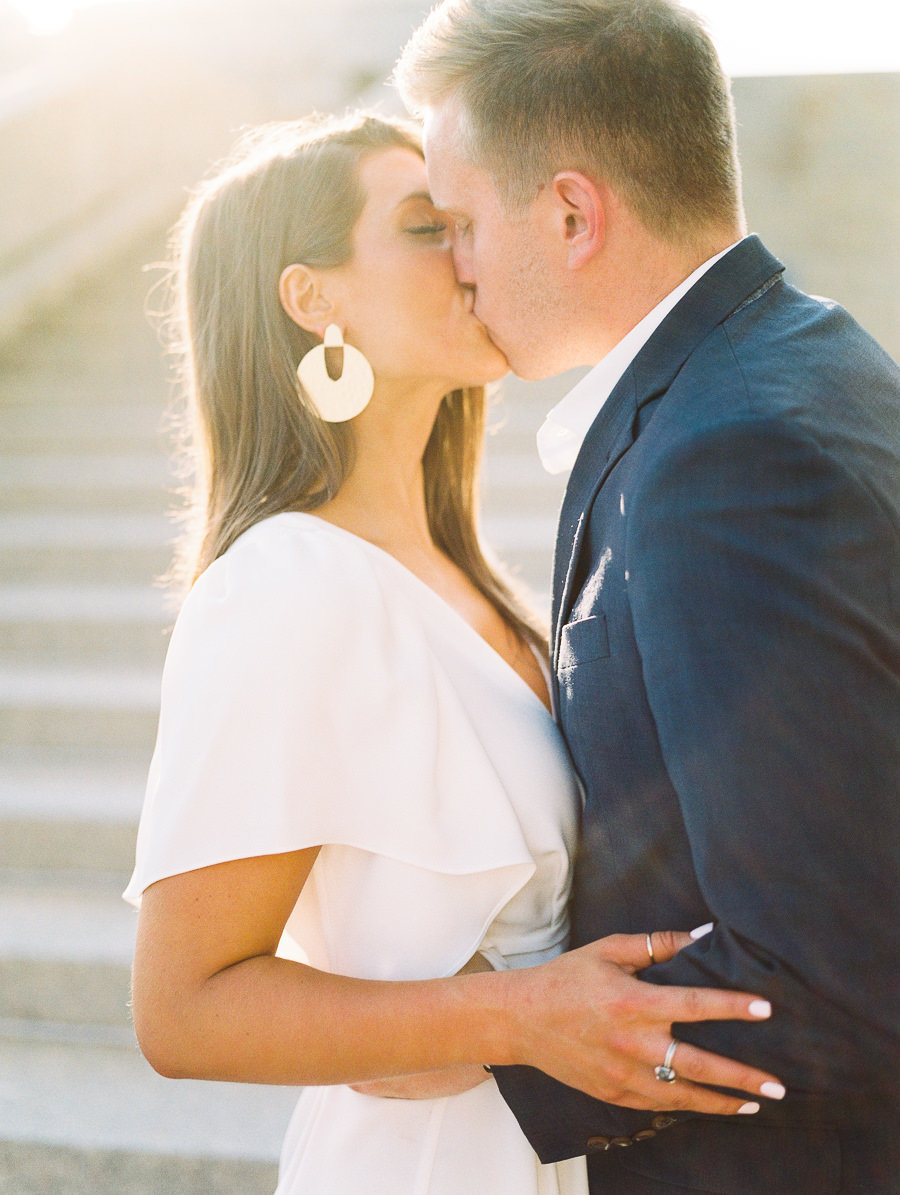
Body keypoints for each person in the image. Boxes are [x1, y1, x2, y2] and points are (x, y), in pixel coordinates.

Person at [124, 111, 785, 1194]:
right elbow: (182, 1008)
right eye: (429, 227)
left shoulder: (469, 573)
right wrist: (512, 1016)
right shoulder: (284, 582)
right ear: (315, 298)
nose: (473, 254)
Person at [395, 1, 900, 1191]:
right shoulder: (794, 359)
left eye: (460, 222)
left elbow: (832, 965)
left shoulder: (725, 459)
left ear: (572, 213)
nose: (453, 265)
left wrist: (496, 1036)